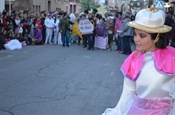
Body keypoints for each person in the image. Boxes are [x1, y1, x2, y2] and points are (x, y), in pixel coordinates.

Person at [102, 5, 175, 115]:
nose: (136, 39)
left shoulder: (172, 57)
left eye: (142, 36)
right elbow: (128, 92)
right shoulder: (133, 59)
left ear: (156, 37)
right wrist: (117, 112)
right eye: (135, 34)